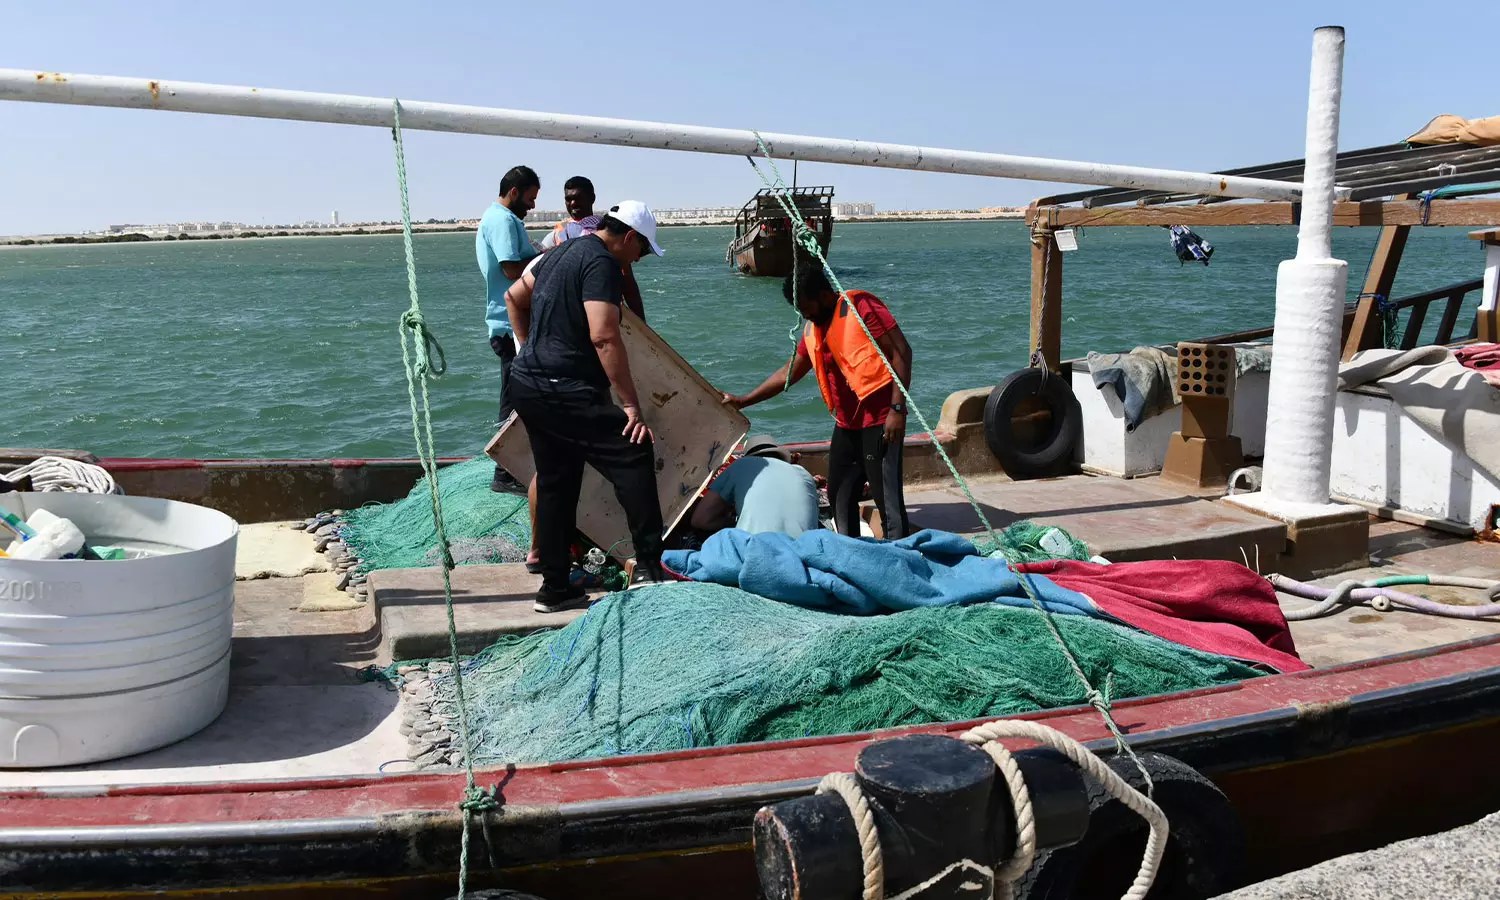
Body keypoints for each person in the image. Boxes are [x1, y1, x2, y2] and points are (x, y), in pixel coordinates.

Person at [505, 201, 668, 612]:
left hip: (528, 383)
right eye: (642, 249)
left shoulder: (558, 253)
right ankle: (649, 570)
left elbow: (513, 297)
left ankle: (555, 588)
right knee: (634, 450)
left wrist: (529, 350)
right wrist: (631, 406)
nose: (639, 259)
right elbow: (604, 336)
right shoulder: (603, 264)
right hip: (566, 388)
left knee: (557, 480)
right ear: (629, 237)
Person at [724, 267, 913, 540]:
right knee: (839, 495)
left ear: (824, 295)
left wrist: (897, 409)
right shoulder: (814, 329)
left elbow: (902, 352)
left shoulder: (860, 307)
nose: (804, 315)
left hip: (881, 420)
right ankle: (848, 552)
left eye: (806, 308)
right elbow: (789, 372)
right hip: (846, 424)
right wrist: (744, 400)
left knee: (888, 501)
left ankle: (903, 555)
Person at [476, 165, 541, 494]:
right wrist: (548, 260)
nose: (532, 205)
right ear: (514, 192)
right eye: (530, 198)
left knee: (517, 394)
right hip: (509, 325)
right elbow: (512, 268)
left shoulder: (502, 218)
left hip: (509, 323)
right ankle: (504, 474)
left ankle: (511, 468)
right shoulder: (501, 220)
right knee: (515, 398)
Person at [689, 436, 820, 538]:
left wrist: (734, 521)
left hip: (757, 548)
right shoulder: (803, 473)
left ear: (749, 456)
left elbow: (700, 520)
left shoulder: (741, 465)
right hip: (803, 550)